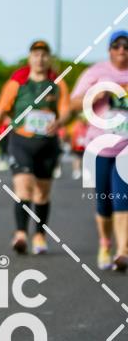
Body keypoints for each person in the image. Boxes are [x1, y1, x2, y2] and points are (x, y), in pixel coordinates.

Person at [0, 40, 70, 255]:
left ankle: (39, 235)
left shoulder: (57, 83)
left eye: (44, 55)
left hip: (47, 144)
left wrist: (59, 122)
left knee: (42, 193)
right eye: (36, 55)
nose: (40, 59)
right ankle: (21, 234)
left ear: (49, 58)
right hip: (21, 141)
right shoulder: (17, 82)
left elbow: (66, 110)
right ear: (30, 58)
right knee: (23, 188)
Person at [69, 30, 128, 271]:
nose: (122, 50)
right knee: (104, 203)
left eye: (126, 46)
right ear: (109, 49)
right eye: (117, 46)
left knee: (123, 200)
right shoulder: (95, 72)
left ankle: (123, 251)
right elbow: (73, 103)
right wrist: (95, 95)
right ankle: (105, 243)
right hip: (100, 147)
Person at [69, 116, 88, 180]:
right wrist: (72, 144)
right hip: (77, 146)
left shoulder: (86, 125)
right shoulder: (76, 125)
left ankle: (84, 171)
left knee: (84, 159)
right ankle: (76, 171)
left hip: (84, 145)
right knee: (77, 158)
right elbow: (73, 135)